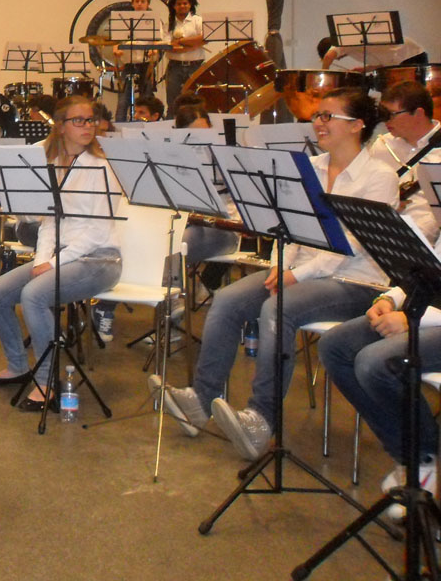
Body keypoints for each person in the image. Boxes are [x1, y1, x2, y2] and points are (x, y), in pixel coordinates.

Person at [161, 89, 398, 460]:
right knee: (227, 299)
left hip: (356, 282)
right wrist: (280, 265)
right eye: (317, 116)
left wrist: (296, 275)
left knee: (278, 307)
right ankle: (200, 401)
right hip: (303, 275)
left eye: (328, 116)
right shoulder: (311, 168)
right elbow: (287, 227)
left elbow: (352, 246)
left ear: (357, 125)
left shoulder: (380, 176)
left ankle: (261, 419)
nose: (318, 123)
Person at [0, 95, 122, 410]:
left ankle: (47, 383)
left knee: (34, 295)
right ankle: (18, 366)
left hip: (100, 258)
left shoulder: (101, 167)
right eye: (78, 120)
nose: (87, 126)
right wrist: (43, 261)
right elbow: (48, 222)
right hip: (62, 254)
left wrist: (53, 264)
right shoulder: (52, 163)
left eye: (91, 119)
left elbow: (98, 232)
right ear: (60, 126)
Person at [319, 266, 441, 514]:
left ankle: (422, 458)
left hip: (430, 318)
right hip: (425, 311)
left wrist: (413, 318)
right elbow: (427, 270)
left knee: (374, 364)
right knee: (334, 346)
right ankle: (410, 455)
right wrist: (389, 299)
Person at [372, 81, 441, 243]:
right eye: (382, 114)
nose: (385, 121)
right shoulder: (382, 145)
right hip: (378, 233)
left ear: (418, 113)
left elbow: (434, 220)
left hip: (423, 242)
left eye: (391, 114)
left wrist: (406, 239)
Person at [111, 0, 164, 116]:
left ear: (147, 4)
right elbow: (117, 41)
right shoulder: (123, 20)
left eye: (143, 1)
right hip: (128, 64)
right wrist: (116, 49)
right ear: (133, 3)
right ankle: (120, 124)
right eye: (137, 1)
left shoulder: (155, 20)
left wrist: (154, 48)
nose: (140, 4)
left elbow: (159, 40)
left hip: (146, 63)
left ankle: (146, 124)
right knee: (123, 99)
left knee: (146, 99)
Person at [165, 0, 205, 109]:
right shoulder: (168, 24)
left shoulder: (198, 20)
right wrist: (193, 44)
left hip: (195, 65)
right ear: (174, 6)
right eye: (179, 4)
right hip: (174, 66)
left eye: (185, 3)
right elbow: (168, 46)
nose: (182, 6)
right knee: (173, 102)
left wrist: (181, 41)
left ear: (190, 4)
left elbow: (205, 38)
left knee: (196, 102)